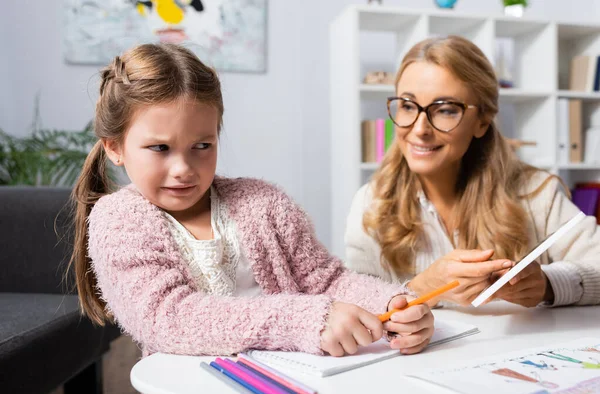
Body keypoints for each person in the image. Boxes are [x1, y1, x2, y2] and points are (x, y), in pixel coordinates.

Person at [69, 43, 435, 361]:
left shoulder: (263, 202)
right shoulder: (119, 219)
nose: (183, 168)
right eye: (160, 148)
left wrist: (392, 303)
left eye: (202, 146)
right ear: (114, 147)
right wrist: (305, 320)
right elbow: (167, 318)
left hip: (296, 380)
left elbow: (326, 280)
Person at [345, 36, 600, 308]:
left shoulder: (536, 192)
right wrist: (420, 289)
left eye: (444, 110)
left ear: (482, 121)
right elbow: (355, 304)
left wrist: (549, 285)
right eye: (408, 106)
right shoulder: (372, 203)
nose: (420, 129)